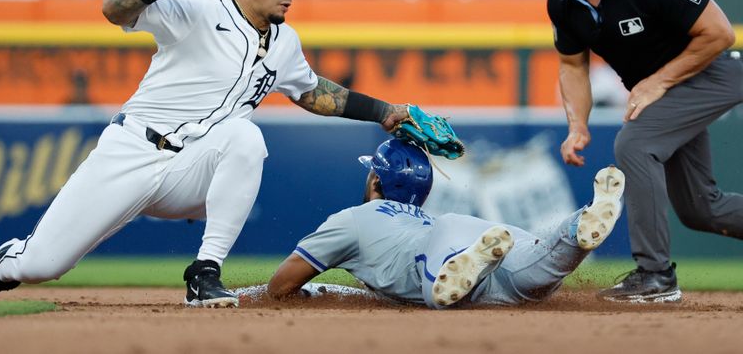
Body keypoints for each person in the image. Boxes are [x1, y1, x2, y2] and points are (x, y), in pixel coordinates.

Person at [0, 0, 414, 308]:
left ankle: (204, 272)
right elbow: (113, 9)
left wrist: (384, 112)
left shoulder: (285, 41)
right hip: (131, 151)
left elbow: (313, 92)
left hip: (190, 169)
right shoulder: (197, 8)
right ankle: (4, 263)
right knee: (42, 266)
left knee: (244, 136)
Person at [547, 0, 743, 304]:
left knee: (635, 142)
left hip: (712, 71)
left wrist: (658, 81)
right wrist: (577, 124)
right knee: (699, 209)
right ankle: (656, 273)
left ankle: (656, 276)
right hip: (670, 92)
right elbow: (572, 65)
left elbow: (721, 34)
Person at [267, 139, 625, 308]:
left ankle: (455, 271)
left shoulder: (352, 219)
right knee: (539, 264)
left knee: (440, 292)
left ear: (376, 181)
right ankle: (577, 226)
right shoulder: (424, 216)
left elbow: (281, 286)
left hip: (442, 249)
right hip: (474, 236)